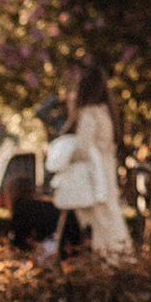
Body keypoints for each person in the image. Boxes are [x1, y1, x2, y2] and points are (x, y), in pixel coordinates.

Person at [48, 63, 131, 256]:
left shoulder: (89, 113)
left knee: (99, 221)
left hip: (93, 175)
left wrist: (65, 155)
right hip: (106, 171)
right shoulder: (106, 112)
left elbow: (82, 149)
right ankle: (122, 256)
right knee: (111, 215)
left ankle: (109, 260)